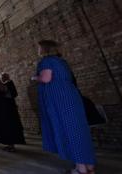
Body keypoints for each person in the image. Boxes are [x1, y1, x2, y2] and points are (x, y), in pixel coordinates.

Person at [33, 40, 95, 174]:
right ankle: (89, 166)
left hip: (59, 100)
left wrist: (35, 78)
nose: (37, 50)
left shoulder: (46, 61)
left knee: (69, 131)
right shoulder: (62, 62)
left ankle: (81, 169)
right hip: (71, 96)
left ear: (45, 49)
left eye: (39, 47)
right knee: (79, 130)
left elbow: (46, 79)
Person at [0, 71, 25, 152]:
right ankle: (11, 145)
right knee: (7, 126)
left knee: (3, 126)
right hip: (5, 108)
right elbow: (6, 94)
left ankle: (10, 146)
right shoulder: (1, 84)